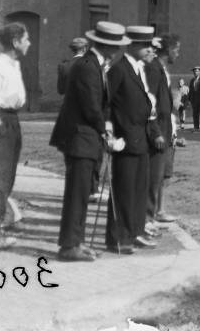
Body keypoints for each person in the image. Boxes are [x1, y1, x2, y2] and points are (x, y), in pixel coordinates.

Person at [50, 21, 128, 262]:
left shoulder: (95, 65)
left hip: (85, 137)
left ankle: (77, 242)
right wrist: (105, 131)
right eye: (114, 46)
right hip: (79, 137)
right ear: (103, 44)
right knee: (76, 193)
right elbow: (91, 106)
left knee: (82, 193)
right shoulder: (87, 67)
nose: (117, 51)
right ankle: (69, 246)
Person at [105, 25, 158, 254]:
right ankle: (118, 237)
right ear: (134, 46)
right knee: (124, 190)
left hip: (141, 139)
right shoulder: (119, 69)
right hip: (125, 140)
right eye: (146, 46)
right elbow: (104, 103)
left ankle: (134, 232)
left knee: (137, 190)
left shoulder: (137, 69)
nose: (150, 50)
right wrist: (109, 133)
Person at [0, 21, 31, 251]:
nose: (29, 43)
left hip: (12, 120)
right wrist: (1, 129)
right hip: (2, 122)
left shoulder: (13, 65)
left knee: (7, 178)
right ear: (15, 42)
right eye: (26, 39)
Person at [144, 33, 178, 226]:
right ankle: (148, 216)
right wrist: (156, 130)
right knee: (153, 174)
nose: (178, 54)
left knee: (162, 172)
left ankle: (157, 210)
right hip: (157, 130)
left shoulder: (162, 69)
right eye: (177, 50)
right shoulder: (154, 69)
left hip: (166, 128)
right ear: (169, 50)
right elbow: (151, 104)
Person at [189, 66, 200, 131]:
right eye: (194, 71)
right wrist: (190, 99)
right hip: (194, 101)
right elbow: (190, 91)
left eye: (196, 71)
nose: (195, 72)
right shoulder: (192, 80)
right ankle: (196, 127)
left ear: (199, 72)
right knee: (195, 114)